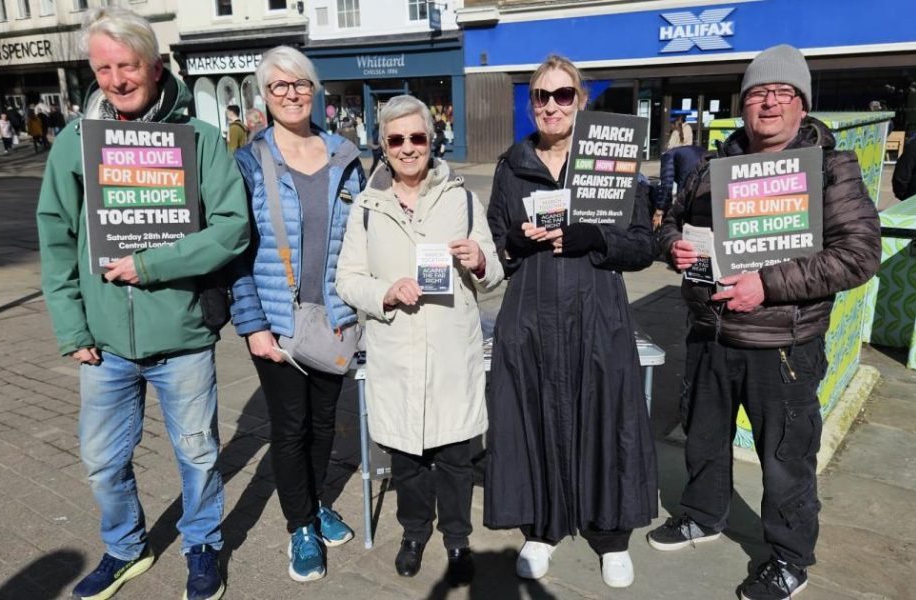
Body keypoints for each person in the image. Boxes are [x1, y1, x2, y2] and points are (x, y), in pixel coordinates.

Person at [652, 44, 881, 600]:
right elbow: (669, 224)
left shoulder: (830, 168)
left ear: (803, 106)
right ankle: (702, 515)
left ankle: (788, 557)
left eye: (783, 93)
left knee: (786, 460)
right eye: (758, 93)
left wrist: (768, 284)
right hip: (710, 333)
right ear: (744, 104)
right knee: (703, 438)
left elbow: (859, 254)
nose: (770, 103)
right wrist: (673, 247)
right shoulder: (710, 166)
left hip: (783, 344)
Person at [36, 8, 250, 600]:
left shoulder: (199, 141)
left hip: (181, 338)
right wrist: (70, 325)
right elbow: (55, 237)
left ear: (155, 67)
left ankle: (203, 544)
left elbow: (232, 228)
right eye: (102, 68)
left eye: (126, 66)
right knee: (103, 462)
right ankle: (126, 549)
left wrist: (152, 265)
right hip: (102, 345)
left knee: (200, 455)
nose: (115, 80)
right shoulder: (74, 144)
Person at [483, 54, 658, 589]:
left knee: (608, 418)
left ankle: (610, 536)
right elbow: (493, 246)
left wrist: (598, 238)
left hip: (597, 313)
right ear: (531, 104)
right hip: (530, 317)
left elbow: (644, 245)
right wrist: (510, 244)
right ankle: (542, 528)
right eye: (542, 96)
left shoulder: (611, 161)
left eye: (564, 95)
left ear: (580, 101)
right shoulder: (511, 165)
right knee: (533, 419)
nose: (552, 105)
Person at [336, 94, 503, 586]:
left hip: (451, 351)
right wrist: (384, 291)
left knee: (455, 456)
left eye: (417, 137)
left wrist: (478, 260)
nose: (408, 148)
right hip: (397, 350)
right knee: (407, 458)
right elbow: (347, 280)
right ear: (383, 147)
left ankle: (456, 538)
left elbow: (495, 276)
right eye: (396, 139)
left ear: (432, 141)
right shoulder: (366, 206)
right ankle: (413, 533)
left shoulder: (462, 197)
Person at [228, 45, 363, 584]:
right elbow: (236, 250)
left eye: (299, 84)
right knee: (289, 428)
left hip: (334, 317)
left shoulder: (344, 156)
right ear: (264, 95)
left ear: (315, 90)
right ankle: (300, 525)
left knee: (325, 424)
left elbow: (360, 238)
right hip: (278, 321)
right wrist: (253, 325)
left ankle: (315, 504)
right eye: (278, 86)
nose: (290, 94)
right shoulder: (249, 160)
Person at [655, 144, 706, 229]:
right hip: (707, 173)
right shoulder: (688, 150)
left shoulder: (667, 155)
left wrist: (659, 210)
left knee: (683, 210)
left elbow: (667, 184)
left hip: (690, 175)